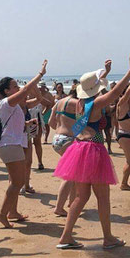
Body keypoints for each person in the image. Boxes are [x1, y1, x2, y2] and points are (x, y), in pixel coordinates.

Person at [55, 55, 130, 250]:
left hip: (79, 148)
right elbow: (116, 92)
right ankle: (108, 238)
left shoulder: (79, 104)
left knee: (80, 197)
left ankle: (66, 236)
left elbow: (97, 86)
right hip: (93, 148)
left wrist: (104, 72)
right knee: (102, 197)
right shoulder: (96, 104)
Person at [0, 61, 48, 228]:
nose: (18, 88)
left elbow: (36, 100)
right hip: (9, 144)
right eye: (14, 86)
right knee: (18, 181)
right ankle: (2, 214)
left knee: (14, 181)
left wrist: (26, 123)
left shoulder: (15, 106)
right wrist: (40, 74)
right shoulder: (6, 103)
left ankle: (12, 212)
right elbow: (25, 90)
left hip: (13, 143)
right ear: (6, 91)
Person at [48, 84, 79, 217]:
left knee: (73, 174)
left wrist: (61, 129)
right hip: (68, 139)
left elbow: (50, 122)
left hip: (57, 139)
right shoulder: (77, 103)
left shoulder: (60, 101)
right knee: (69, 175)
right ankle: (59, 207)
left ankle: (71, 203)